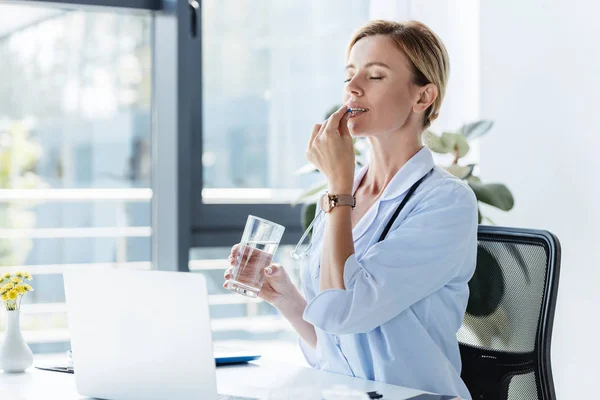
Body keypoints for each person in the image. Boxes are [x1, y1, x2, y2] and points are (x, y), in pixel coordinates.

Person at [224, 20, 477, 399]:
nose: (352, 88)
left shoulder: (446, 202)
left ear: (422, 98)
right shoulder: (347, 188)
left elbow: (346, 312)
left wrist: (338, 190)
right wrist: (287, 299)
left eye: (375, 76)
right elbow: (338, 343)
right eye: (349, 75)